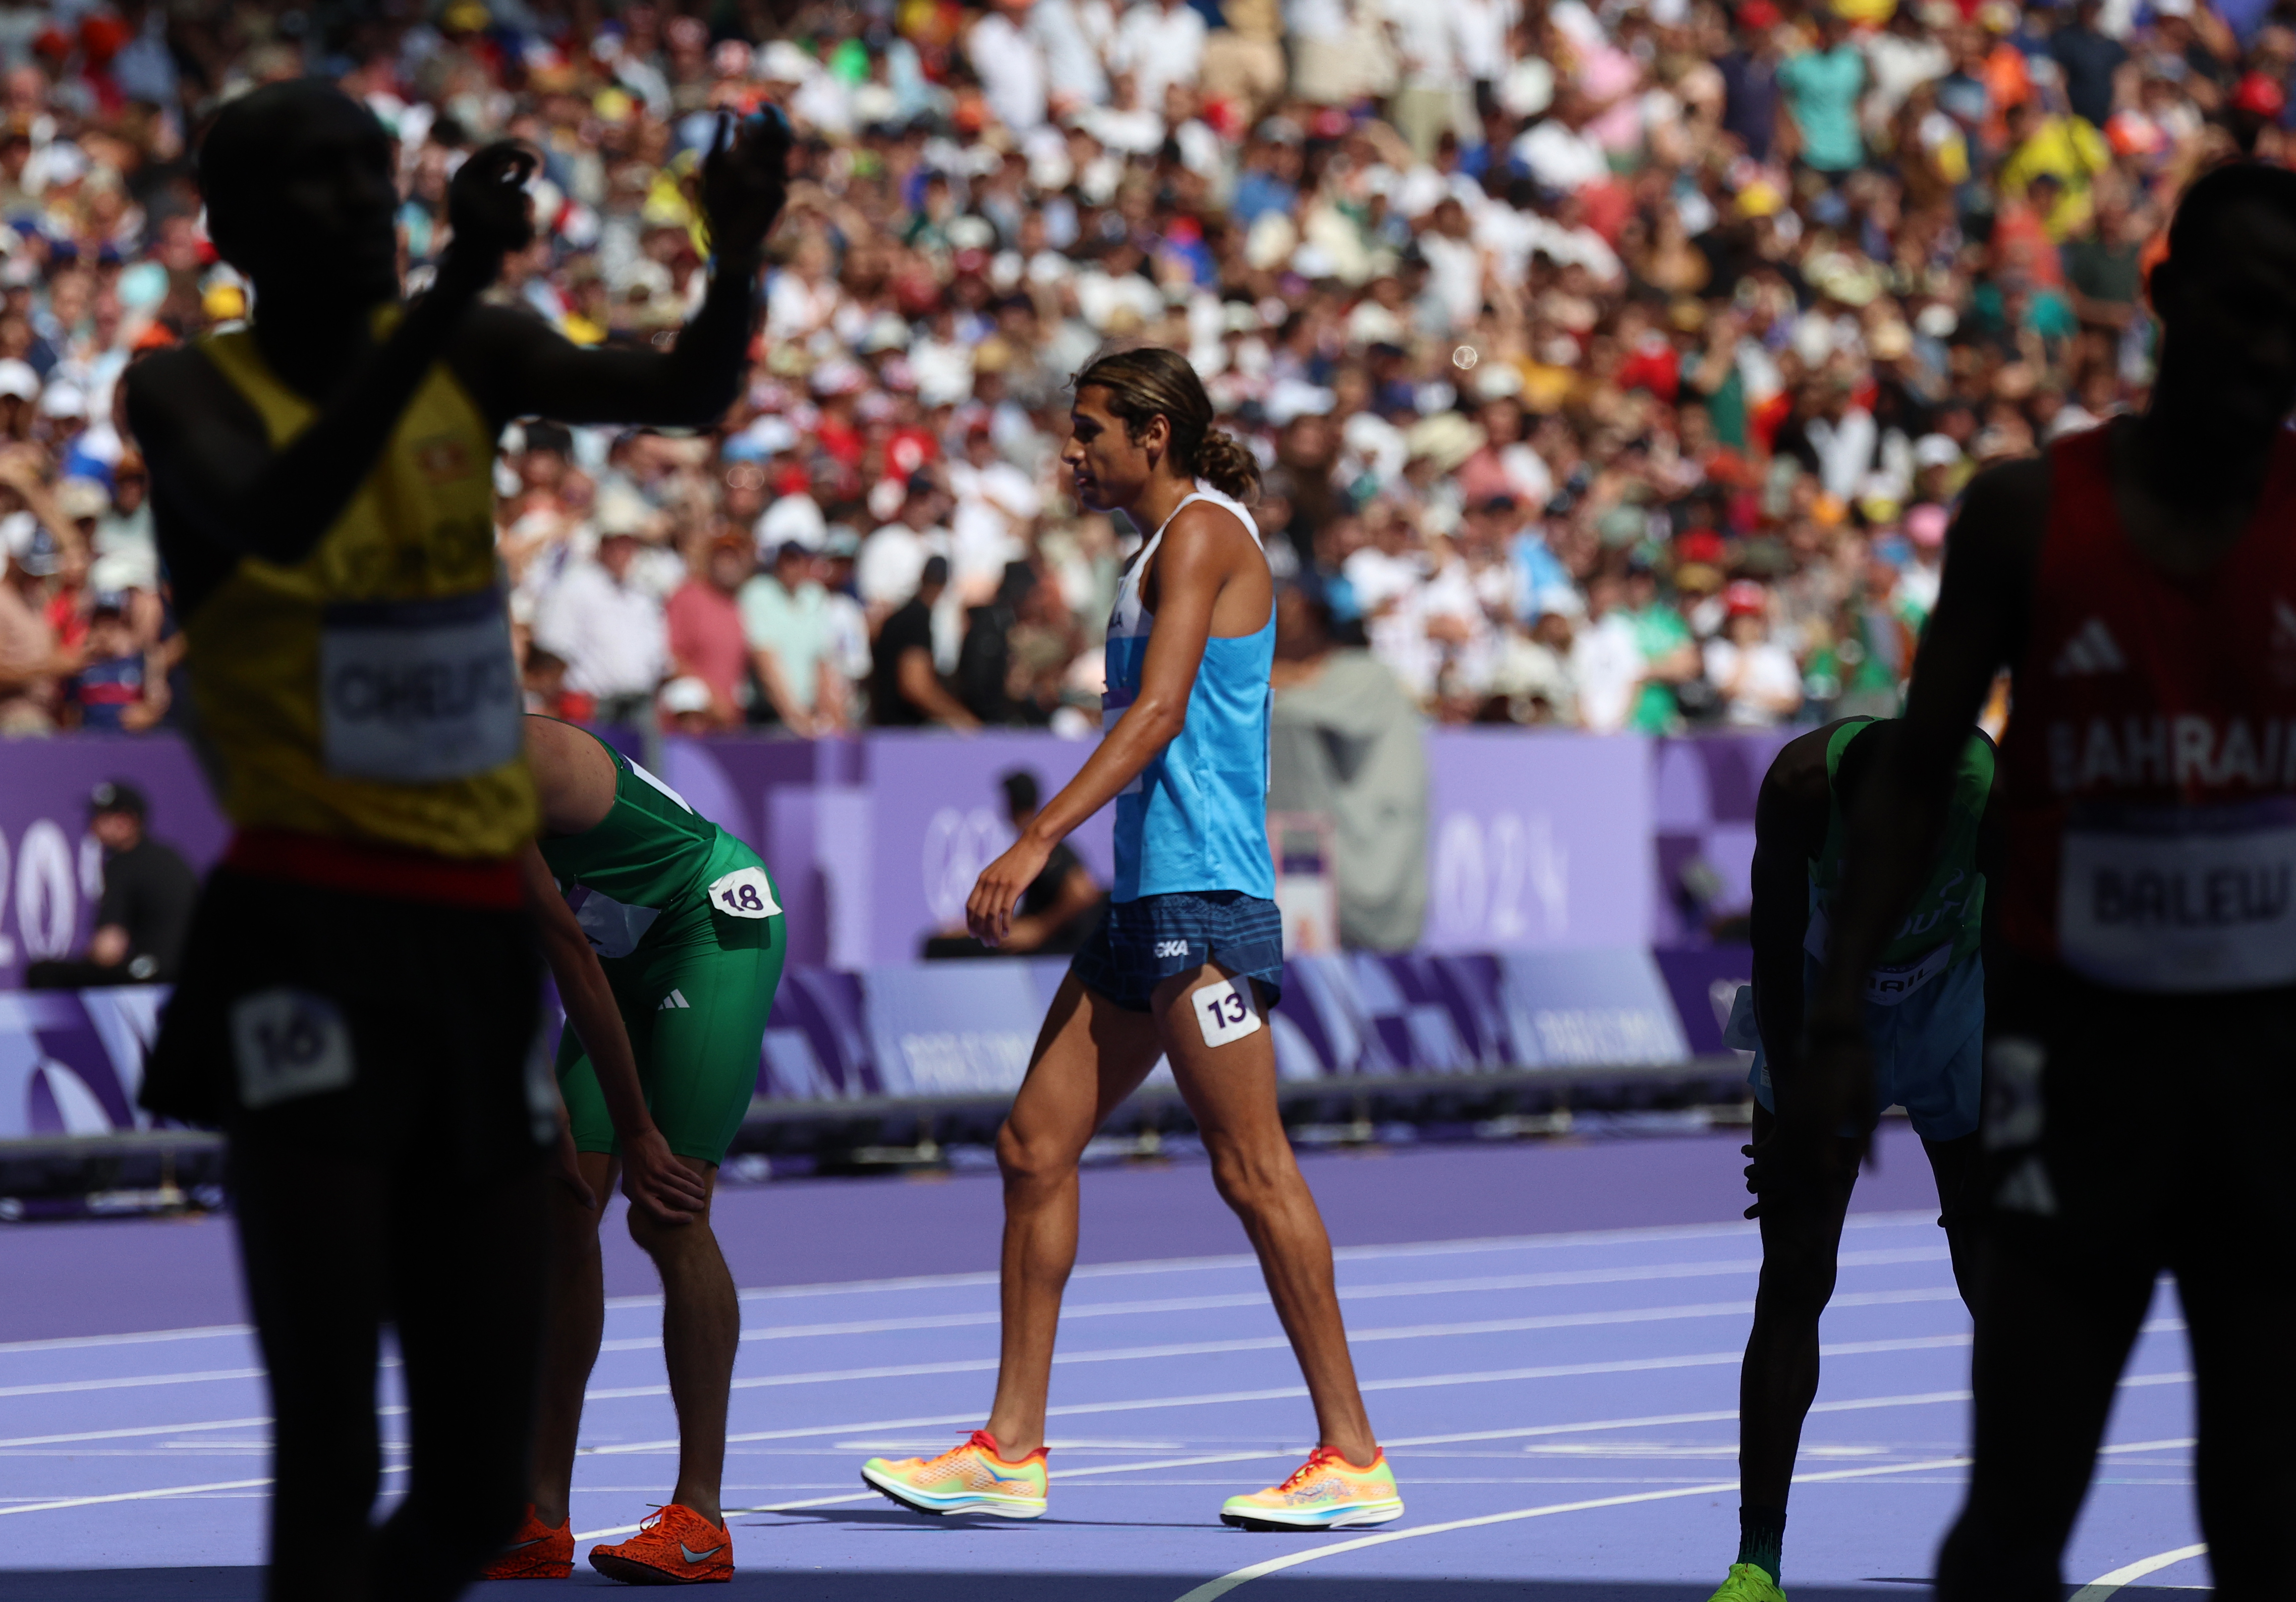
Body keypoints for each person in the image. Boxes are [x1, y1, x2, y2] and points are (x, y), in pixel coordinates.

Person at [127, 80, 786, 1602]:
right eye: (327, 190)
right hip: (307, 916)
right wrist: (450, 306)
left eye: (383, 185)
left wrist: (734, 253)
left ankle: (658, 1504)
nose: (368, 213)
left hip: (624, 922)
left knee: (591, 1247)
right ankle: (519, 1518)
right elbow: (283, 516)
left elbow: (687, 390)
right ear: (232, 233)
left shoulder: (472, 348)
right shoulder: (187, 394)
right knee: (332, 1388)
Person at [1802, 163, 2296, 1601]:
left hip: (2270, 1080)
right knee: (2020, 1505)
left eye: (2295, 321)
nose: (2268, 348)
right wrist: (1836, 1019)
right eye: (2241, 307)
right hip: (2073, 1074)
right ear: (2159, 302)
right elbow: (1914, 776)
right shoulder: (2025, 516)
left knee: (2268, 1516)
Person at [857, 346, 1402, 1530]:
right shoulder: (1149, 551)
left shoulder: (1206, 533)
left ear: (1151, 435)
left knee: (1249, 1165)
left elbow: (1157, 714)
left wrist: (1031, 838)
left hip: (1203, 902)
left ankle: (1352, 1451)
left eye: (1089, 430)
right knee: (1029, 1143)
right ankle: (1008, 1447)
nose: (1073, 450)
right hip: (1144, 903)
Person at [485, 714, 785, 1586]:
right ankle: (540, 1514)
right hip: (619, 943)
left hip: (708, 921)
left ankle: (700, 1517)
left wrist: (642, 1133)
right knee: (560, 1209)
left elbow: (564, 955)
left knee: (666, 1205)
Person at [1705, 717, 1995, 1602]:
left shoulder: (1983, 787)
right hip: (1829, 1011)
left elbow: (2028, 938)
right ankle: (1757, 1558)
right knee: (1793, 1268)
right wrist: (1793, 1113)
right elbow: (1771, 949)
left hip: (1951, 1011)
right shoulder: (1797, 785)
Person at [24, 780, 198, 988]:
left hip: (153, 973)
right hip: (192, 970)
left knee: (43, 973)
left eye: (101, 817)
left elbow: (108, 949)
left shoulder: (124, 863)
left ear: (125, 822)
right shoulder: (171, 856)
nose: (91, 824)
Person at [923, 768, 1106, 957]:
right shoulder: (1037, 843)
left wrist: (1040, 928)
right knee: (943, 940)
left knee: (937, 948)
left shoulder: (1041, 846)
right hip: (1033, 934)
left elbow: (1083, 891)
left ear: (1009, 803)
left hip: (1052, 948)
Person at [870, 553, 979, 728]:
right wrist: (962, 718)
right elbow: (915, 686)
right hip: (903, 735)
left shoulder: (898, 617)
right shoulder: (917, 618)